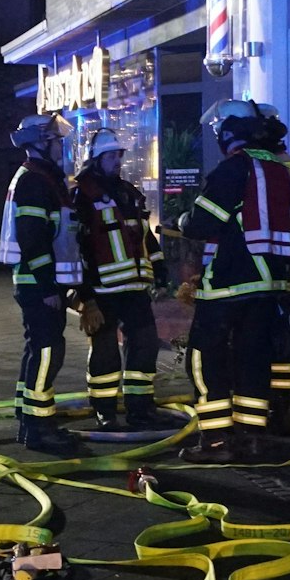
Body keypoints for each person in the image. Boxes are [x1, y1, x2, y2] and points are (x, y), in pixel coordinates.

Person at [176, 101, 290, 463]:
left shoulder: (233, 170)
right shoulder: (280, 170)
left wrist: (184, 220)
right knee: (253, 362)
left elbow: (201, 223)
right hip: (269, 287)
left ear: (227, 132)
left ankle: (216, 443)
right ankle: (252, 439)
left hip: (230, 285)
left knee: (205, 360)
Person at [70, 128, 178, 432]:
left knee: (145, 346)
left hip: (135, 288)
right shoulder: (82, 195)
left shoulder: (129, 193)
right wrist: (85, 298)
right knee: (104, 353)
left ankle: (140, 409)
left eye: (119, 155)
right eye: (111, 155)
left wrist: (160, 272)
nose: (117, 160)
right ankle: (104, 411)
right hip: (102, 290)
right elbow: (77, 249)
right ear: (96, 159)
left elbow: (144, 237)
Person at [0, 114, 82, 455]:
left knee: (38, 348)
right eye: (55, 141)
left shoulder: (44, 178)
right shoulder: (35, 181)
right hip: (39, 283)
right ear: (39, 143)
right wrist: (49, 287)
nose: (61, 146)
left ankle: (28, 417)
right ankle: (38, 426)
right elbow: (33, 239)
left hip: (38, 281)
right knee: (48, 351)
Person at [252, 104, 290, 437]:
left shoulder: (272, 168)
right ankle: (281, 403)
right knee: (280, 337)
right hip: (283, 264)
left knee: (269, 338)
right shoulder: (286, 165)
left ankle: (274, 406)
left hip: (271, 266)